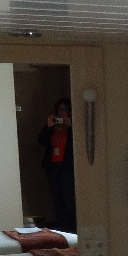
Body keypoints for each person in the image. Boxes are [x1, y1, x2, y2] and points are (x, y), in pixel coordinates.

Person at [37, 97, 76, 232]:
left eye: (64, 109)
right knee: (57, 199)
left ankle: (71, 228)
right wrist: (48, 126)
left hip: (66, 168)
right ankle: (61, 228)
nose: (61, 112)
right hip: (52, 168)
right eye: (59, 109)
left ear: (69, 111)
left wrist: (70, 127)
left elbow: (77, 144)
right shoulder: (52, 126)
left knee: (68, 199)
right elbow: (41, 141)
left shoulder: (71, 127)